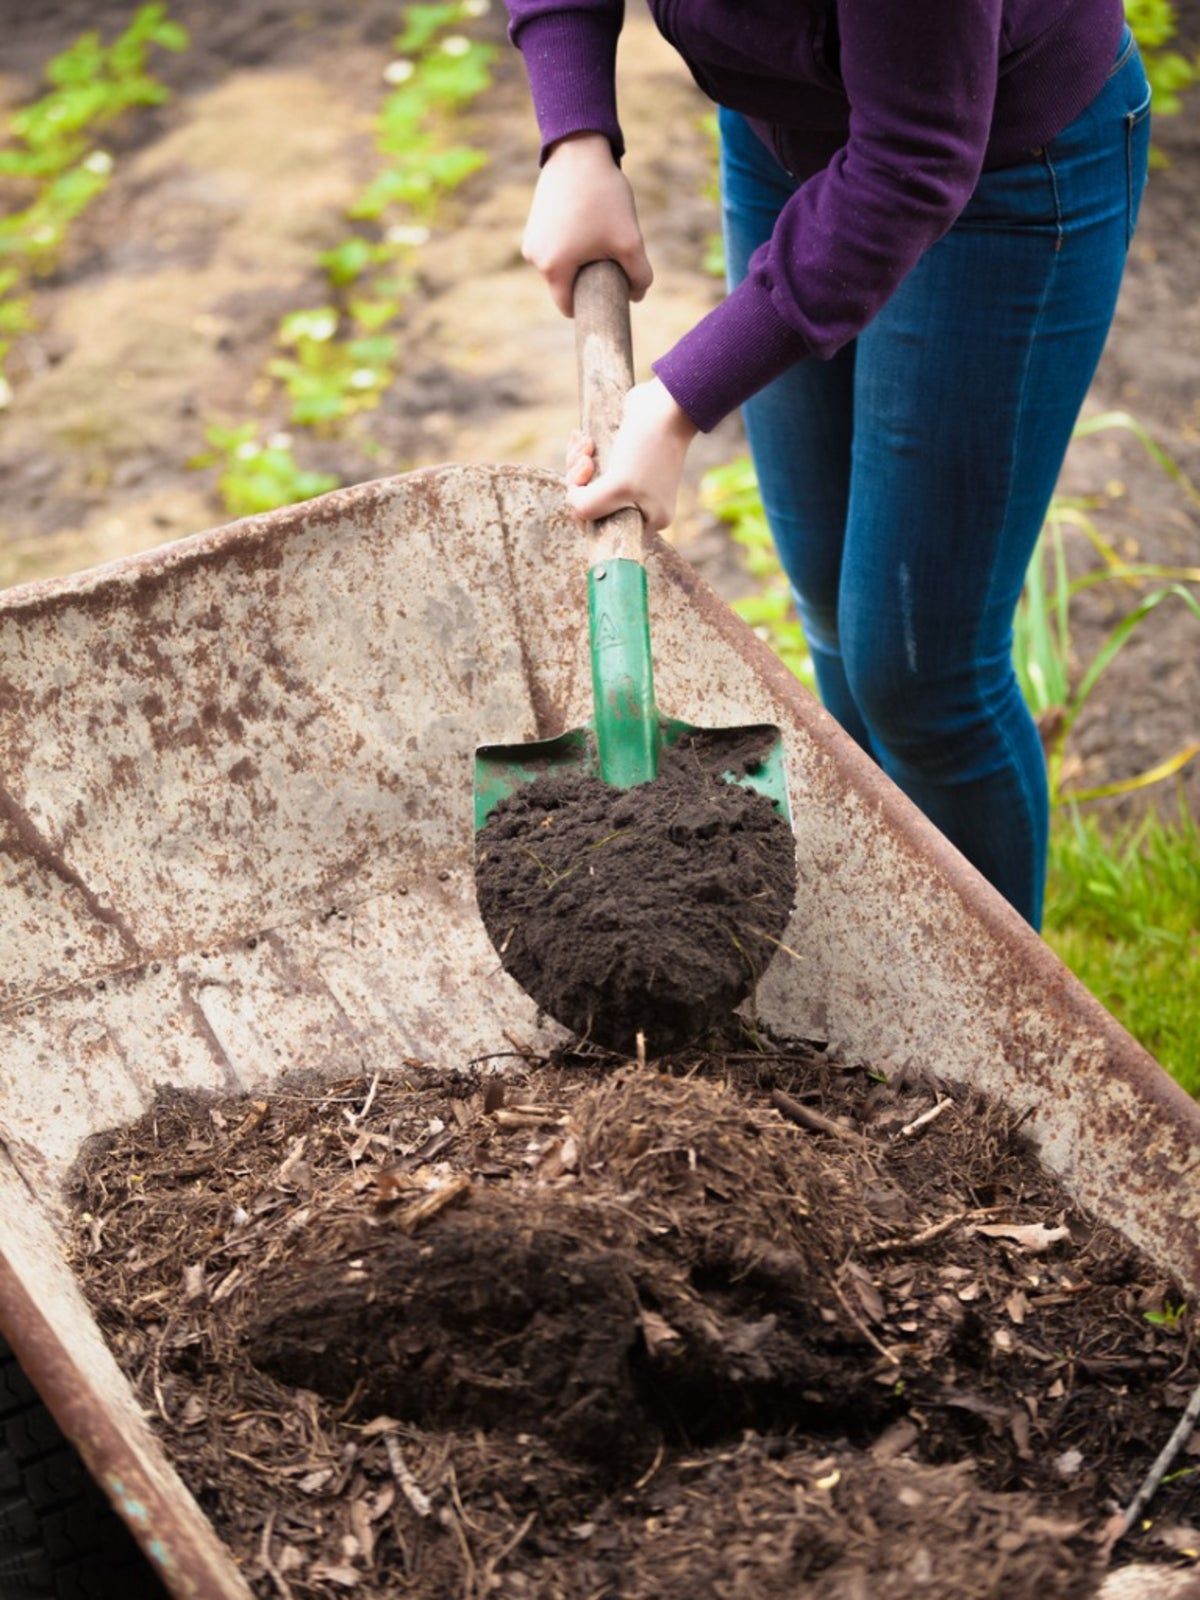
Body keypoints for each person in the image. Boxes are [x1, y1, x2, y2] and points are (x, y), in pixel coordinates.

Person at [501, 0, 1152, 930]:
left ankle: (995, 1035)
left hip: (999, 168)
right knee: (835, 613)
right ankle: (896, 955)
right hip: (789, 140)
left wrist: (681, 401)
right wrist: (574, 134)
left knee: (923, 673)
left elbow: (915, 155)